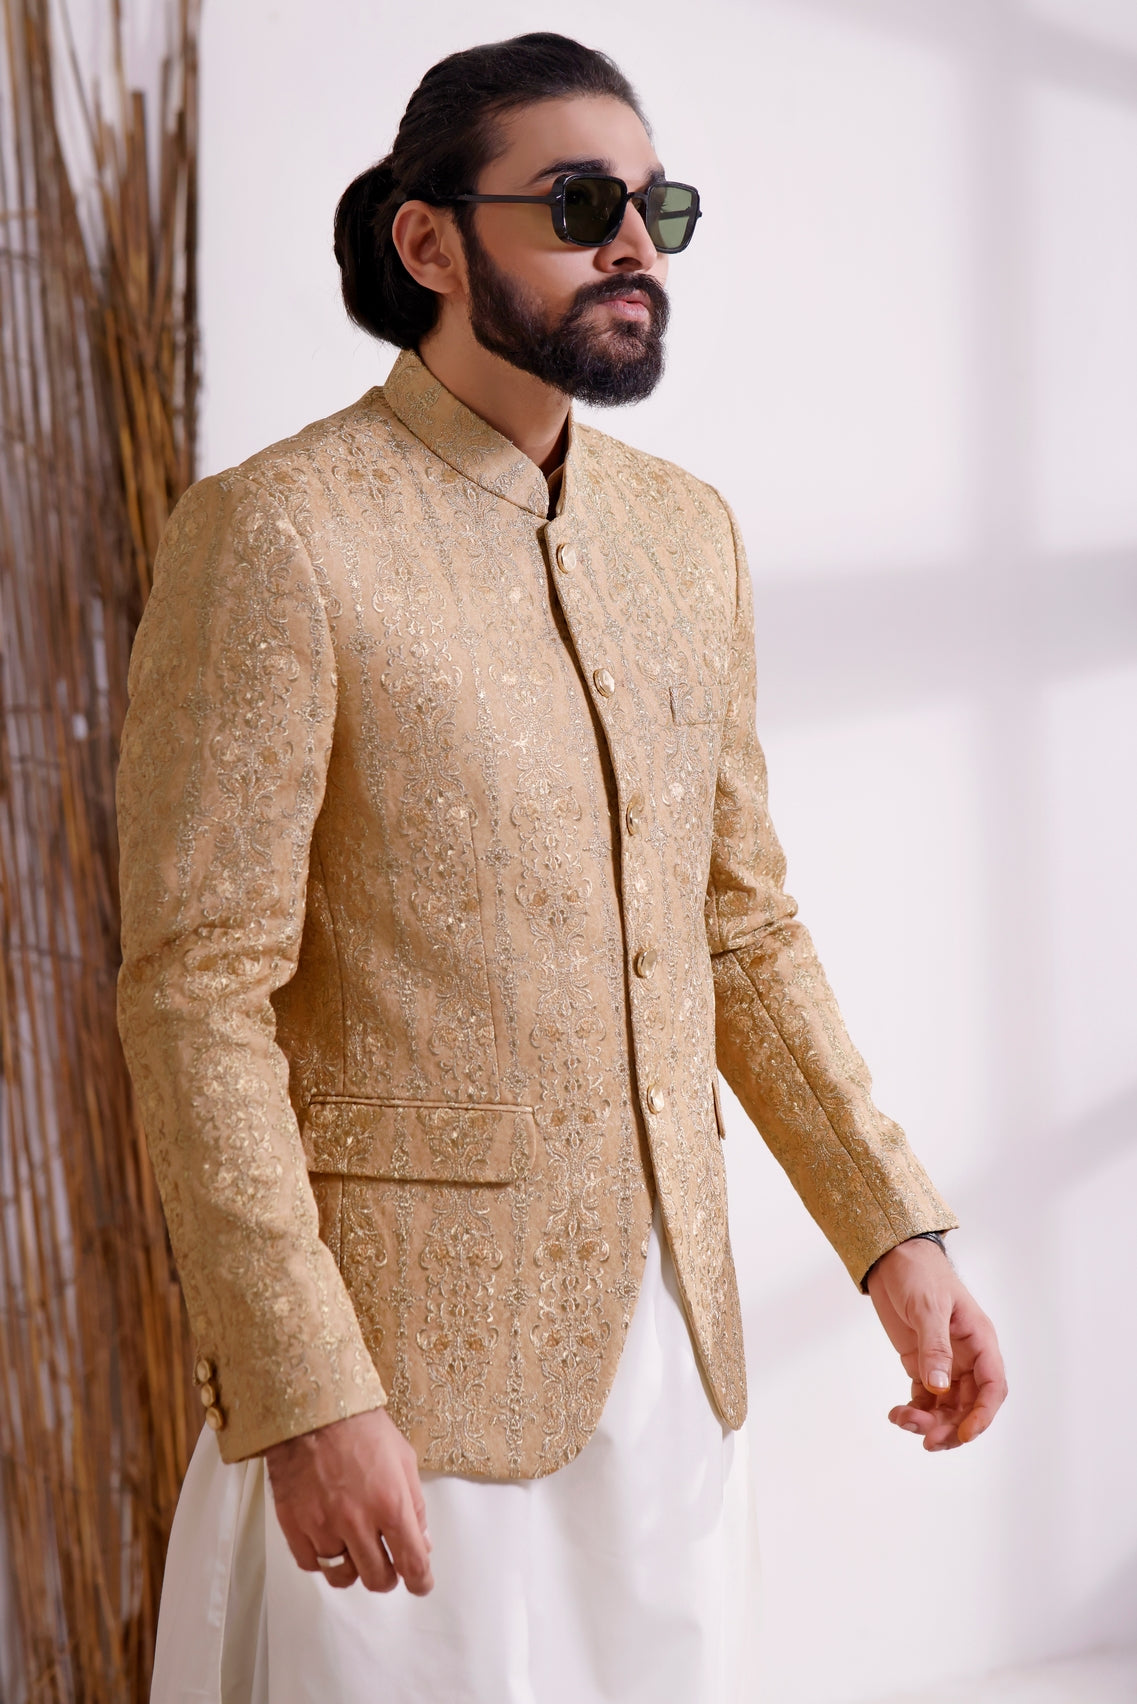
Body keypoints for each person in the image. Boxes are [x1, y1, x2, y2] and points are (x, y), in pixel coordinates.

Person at [115, 31, 1008, 1704]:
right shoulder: (280, 532)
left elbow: (738, 929)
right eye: (581, 204)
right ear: (430, 241)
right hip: (399, 1373)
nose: (633, 246)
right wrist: (303, 1384)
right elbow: (195, 996)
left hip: (670, 1373)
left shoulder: (683, 533)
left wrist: (893, 1235)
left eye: (657, 208)